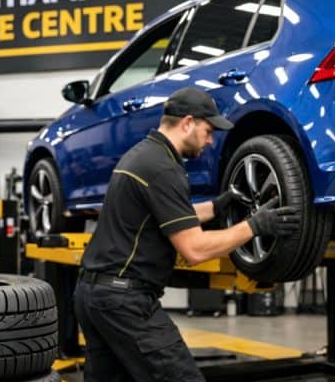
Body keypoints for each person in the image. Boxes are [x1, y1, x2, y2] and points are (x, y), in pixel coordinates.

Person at [73, 86, 301, 382]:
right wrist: (255, 226)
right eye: (208, 130)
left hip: (93, 296)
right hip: (124, 303)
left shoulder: (145, 155)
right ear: (188, 122)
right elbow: (195, 249)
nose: (210, 140)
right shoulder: (162, 168)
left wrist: (219, 207)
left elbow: (169, 216)